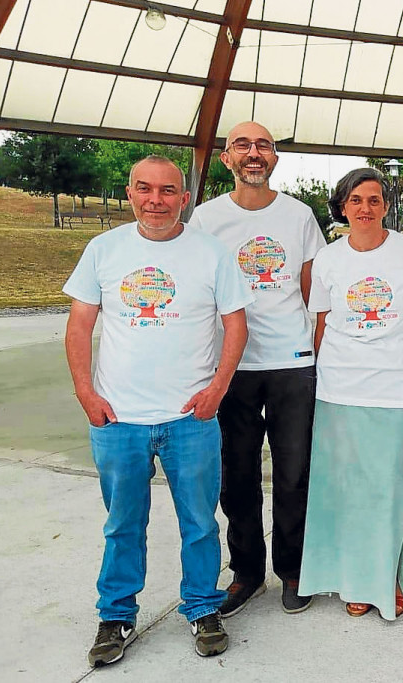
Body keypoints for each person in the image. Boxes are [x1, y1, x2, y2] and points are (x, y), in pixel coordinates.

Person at [64, 156, 253, 666]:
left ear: (183, 198)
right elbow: (80, 324)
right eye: (145, 189)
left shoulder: (211, 253)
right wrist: (86, 392)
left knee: (199, 522)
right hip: (118, 417)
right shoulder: (104, 250)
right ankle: (117, 614)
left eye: (167, 191)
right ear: (130, 193)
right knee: (123, 522)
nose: (155, 200)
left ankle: (201, 606)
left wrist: (217, 389)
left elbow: (236, 325)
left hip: (189, 419)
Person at [189, 121, 325, 618]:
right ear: (227, 157)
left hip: (291, 363)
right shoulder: (205, 218)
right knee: (237, 474)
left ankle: (293, 569)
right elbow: (198, 292)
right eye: (242, 145)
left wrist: (322, 351)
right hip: (232, 365)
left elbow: (313, 291)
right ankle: (247, 571)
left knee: (294, 474)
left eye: (263, 146)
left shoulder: (299, 216)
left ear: (274, 159)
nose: (253, 153)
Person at [297, 168, 403, 620]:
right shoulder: (328, 259)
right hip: (338, 387)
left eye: (374, 200)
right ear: (343, 206)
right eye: (356, 200)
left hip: (393, 386)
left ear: (386, 206)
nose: (366, 208)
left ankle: (386, 579)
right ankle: (348, 578)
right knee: (343, 488)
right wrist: (316, 378)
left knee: (385, 489)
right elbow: (321, 324)